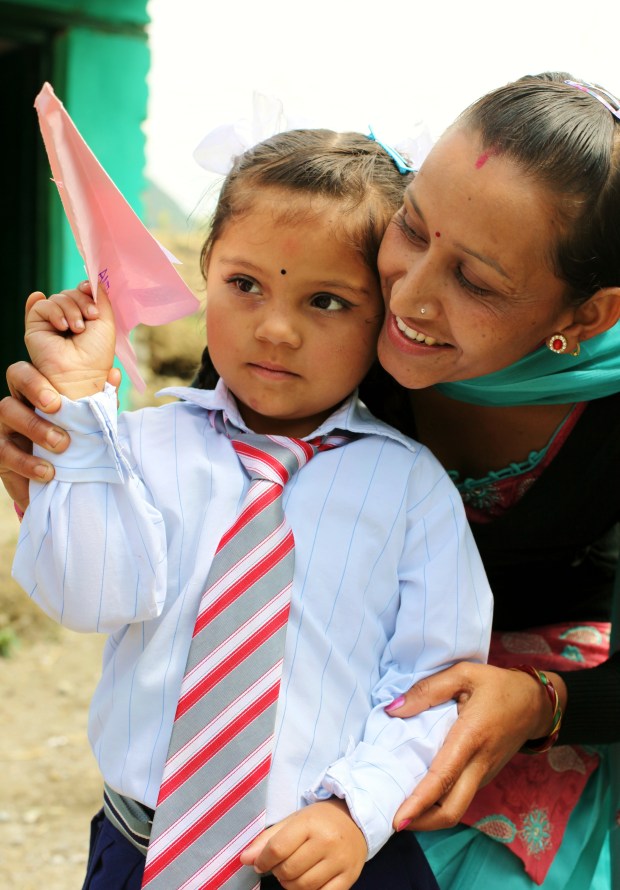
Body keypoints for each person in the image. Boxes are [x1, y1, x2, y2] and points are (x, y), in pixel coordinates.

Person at [3, 70, 620, 888]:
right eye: (413, 226)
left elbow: (425, 683)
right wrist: (77, 454)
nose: (411, 296)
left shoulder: (419, 479)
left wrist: (540, 705)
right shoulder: (245, 386)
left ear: (584, 318)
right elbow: (108, 576)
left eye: (474, 281)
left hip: (450, 750)